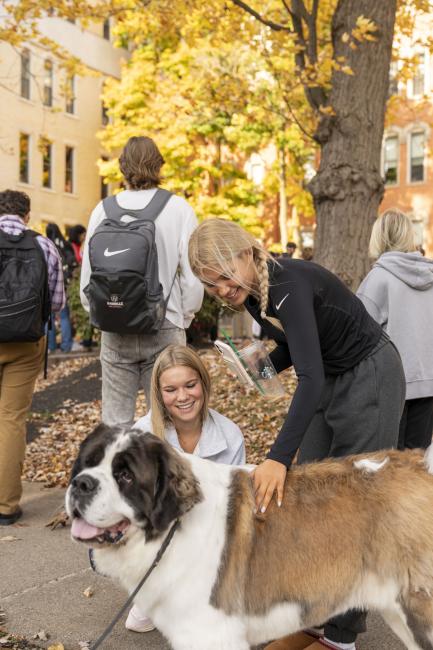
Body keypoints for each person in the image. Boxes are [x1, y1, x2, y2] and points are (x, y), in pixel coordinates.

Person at [188, 218, 405, 650]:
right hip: (332, 375)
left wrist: (277, 457)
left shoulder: (288, 285)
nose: (224, 291)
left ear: (248, 252)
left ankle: (341, 636)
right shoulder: (254, 294)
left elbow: (311, 376)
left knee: (353, 506)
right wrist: (259, 368)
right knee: (312, 497)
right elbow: (299, 349)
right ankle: (315, 611)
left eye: (227, 277)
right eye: (212, 287)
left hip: (369, 375)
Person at [80, 136, 203, 427]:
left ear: (122, 168)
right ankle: (162, 473)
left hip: (114, 324)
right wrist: (183, 317)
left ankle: (116, 470)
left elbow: (88, 275)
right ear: (159, 164)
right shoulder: (179, 209)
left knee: (115, 423)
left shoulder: (103, 209)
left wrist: (101, 312)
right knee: (166, 419)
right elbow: (193, 274)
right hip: (164, 324)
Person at [125, 344, 246, 633]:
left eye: (190, 385)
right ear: (159, 393)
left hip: (210, 531)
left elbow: (235, 503)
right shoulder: (141, 435)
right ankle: (154, 595)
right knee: (141, 621)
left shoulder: (229, 435)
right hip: (157, 533)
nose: (182, 397)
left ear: (203, 384)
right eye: (171, 390)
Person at [0, 190, 65, 525]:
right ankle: (6, 506)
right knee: (11, 419)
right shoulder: (44, 245)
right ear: (26, 214)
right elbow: (56, 304)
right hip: (26, 342)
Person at [357, 209, 433, 451]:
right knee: (418, 463)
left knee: (391, 466)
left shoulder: (377, 279)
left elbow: (360, 337)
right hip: (429, 382)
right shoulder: (430, 275)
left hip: (391, 385)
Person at [46, 223, 76, 353]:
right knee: (64, 316)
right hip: (63, 285)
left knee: (49, 317)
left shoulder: (45, 244)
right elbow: (73, 263)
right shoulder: (65, 245)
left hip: (47, 286)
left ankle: (51, 346)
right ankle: (66, 346)